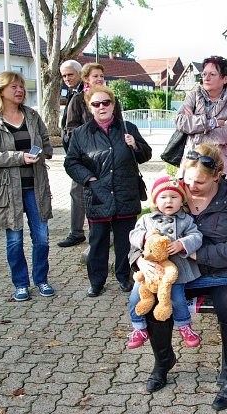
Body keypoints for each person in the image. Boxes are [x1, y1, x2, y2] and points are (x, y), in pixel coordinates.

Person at [140, 144, 227, 412]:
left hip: (225, 272)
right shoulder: (173, 192)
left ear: (216, 176)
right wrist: (141, 259)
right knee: (155, 300)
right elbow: (144, 230)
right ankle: (163, 360)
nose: (191, 186)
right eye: (187, 179)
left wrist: (197, 254)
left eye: (200, 182)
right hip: (180, 273)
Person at [64, 85, 152, 297]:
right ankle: (96, 281)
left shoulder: (128, 128)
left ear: (113, 105)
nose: (102, 107)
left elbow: (145, 155)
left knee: (125, 241)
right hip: (98, 194)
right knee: (98, 241)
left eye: (106, 102)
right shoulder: (81, 133)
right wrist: (90, 179)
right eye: (96, 103)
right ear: (90, 107)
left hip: (125, 192)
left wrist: (135, 145)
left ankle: (124, 277)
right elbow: (71, 162)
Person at [0, 71, 54, 301]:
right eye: (14, 87)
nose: (20, 90)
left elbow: (46, 141)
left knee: (42, 238)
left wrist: (44, 152)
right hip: (7, 190)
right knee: (15, 240)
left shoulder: (32, 115)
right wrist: (18, 157)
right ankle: (20, 284)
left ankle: (41, 280)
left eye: (21, 86)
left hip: (36, 187)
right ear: (1, 91)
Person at [127, 176, 203, 350]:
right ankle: (138, 327)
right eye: (163, 197)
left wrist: (181, 244)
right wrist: (145, 237)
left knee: (177, 297)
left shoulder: (186, 220)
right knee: (135, 296)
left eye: (174, 197)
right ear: (155, 201)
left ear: (182, 201)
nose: (168, 201)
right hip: (150, 271)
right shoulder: (146, 219)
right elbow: (133, 235)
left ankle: (184, 325)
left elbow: (197, 236)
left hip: (175, 270)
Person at [175, 56, 227, 197]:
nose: (206, 78)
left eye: (212, 74)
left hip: (223, 165)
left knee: (224, 203)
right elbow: (180, 122)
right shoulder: (193, 96)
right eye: (204, 74)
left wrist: (196, 128)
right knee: (192, 202)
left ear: (225, 79)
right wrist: (213, 123)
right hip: (193, 162)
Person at [57, 60, 88, 248]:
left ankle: (78, 232)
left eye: (70, 74)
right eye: (64, 76)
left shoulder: (84, 93)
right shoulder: (72, 92)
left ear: (80, 74)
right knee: (78, 193)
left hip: (85, 154)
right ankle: (77, 232)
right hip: (76, 153)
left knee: (78, 193)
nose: (67, 78)